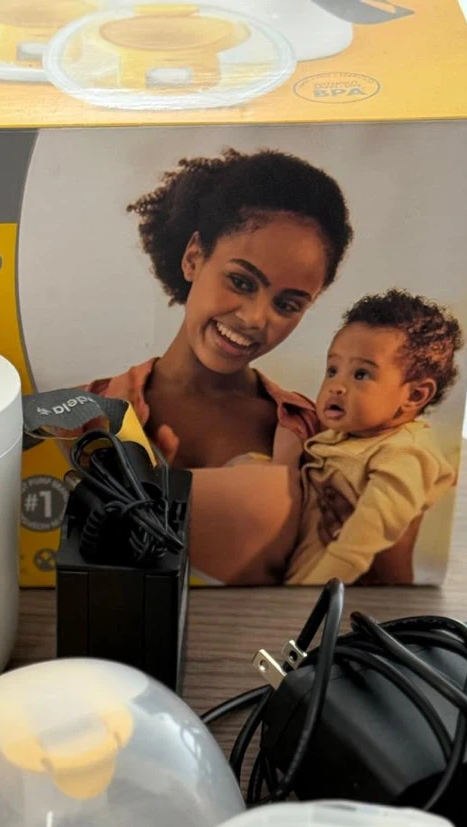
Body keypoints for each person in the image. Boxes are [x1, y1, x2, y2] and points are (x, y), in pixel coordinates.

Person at [89, 147, 353, 582]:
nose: (256, 318)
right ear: (194, 257)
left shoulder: (316, 435)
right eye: (241, 282)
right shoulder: (85, 413)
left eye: (287, 304)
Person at [285, 290, 463, 586]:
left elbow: (358, 545)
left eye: (361, 375)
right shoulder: (349, 434)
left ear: (415, 395)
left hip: (324, 585)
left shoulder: (404, 454)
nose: (336, 386)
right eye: (333, 370)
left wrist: (308, 592)